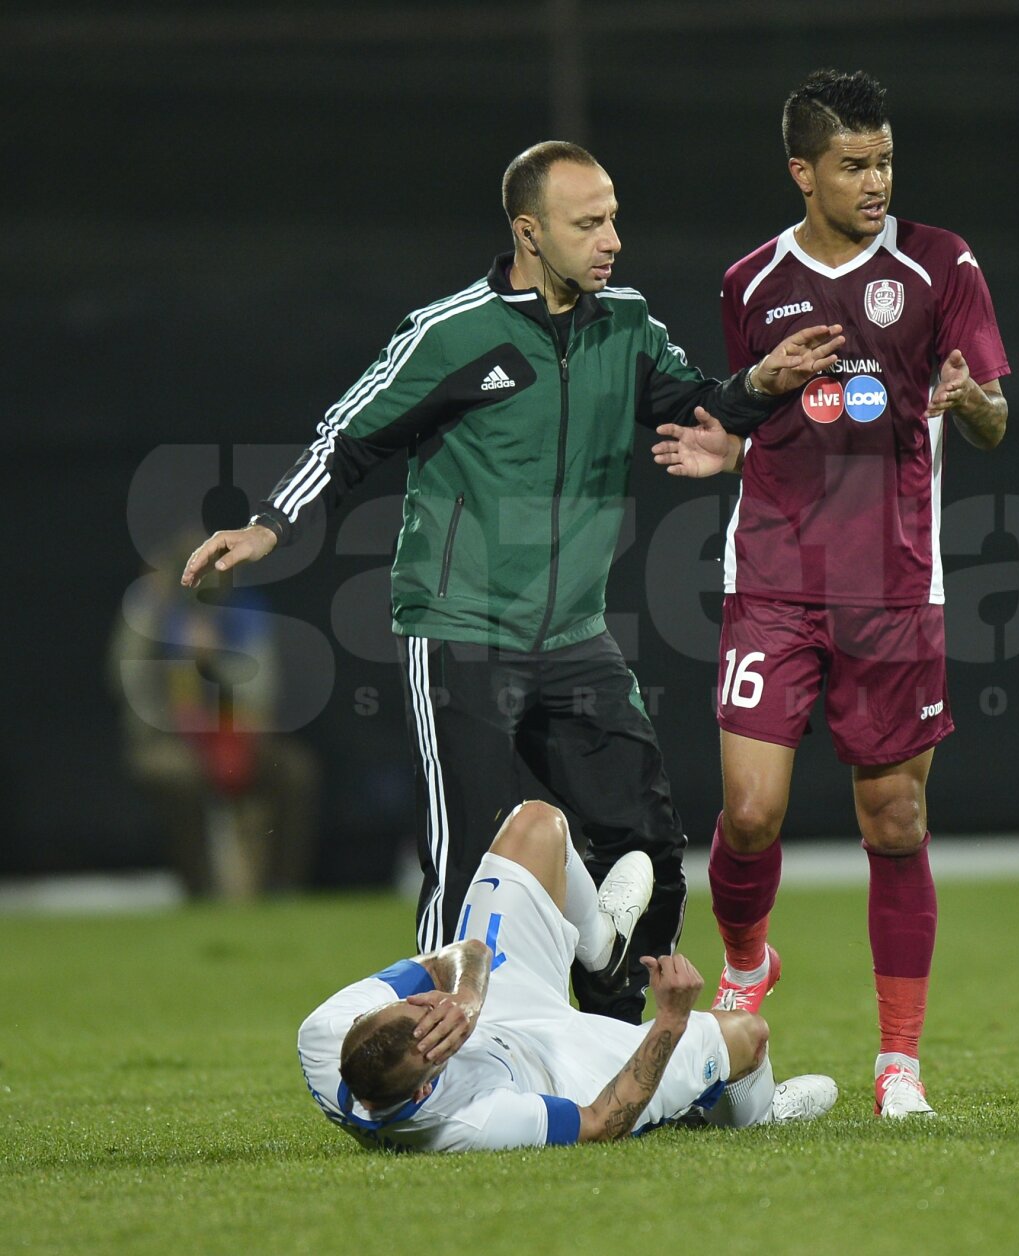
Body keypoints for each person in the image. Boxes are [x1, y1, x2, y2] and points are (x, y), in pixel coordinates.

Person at [182, 140, 843, 1020]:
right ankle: (438, 1059)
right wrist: (270, 523)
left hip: (576, 638)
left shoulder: (628, 325)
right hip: (461, 627)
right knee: (472, 861)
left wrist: (762, 382)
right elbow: (351, 435)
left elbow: (703, 411)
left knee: (644, 847)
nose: (611, 238)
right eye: (588, 223)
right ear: (529, 232)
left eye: (613, 217)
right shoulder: (453, 333)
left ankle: (614, 1048)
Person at [652, 69, 1010, 1117]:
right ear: (802, 170)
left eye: (886, 159)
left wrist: (971, 399)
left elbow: (990, 421)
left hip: (896, 585)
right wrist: (729, 442)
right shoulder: (752, 283)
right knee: (753, 813)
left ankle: (899, 1063)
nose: (875, 180)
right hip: (771, 576)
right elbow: (748, 413)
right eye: (853, 164)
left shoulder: (942, 264)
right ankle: (748, 960)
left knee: (893, 818)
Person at [298, 799, 838, 1153]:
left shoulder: (325, 1036)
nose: (427, 1003)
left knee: (536, 823)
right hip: (560, 1070)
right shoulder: (469, 1124)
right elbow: (601, 1120)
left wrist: (462, 995)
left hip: (496, 1007)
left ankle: (599, 945)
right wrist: (669, 1021)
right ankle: (760, 1115)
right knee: (746, 1033)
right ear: (423, 1093)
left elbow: (457, 955)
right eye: (434, 1030)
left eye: (416, 1005)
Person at [110, 530, 319, 898]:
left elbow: (263, 692)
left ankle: (280, 890)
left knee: (295, 772)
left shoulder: (244, 612)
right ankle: (200, 890)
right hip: (170, 737)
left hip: (239, 734)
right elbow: (125, 682)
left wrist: (217, 658)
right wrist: (155, 621)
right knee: (179, 776)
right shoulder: (150, 611)